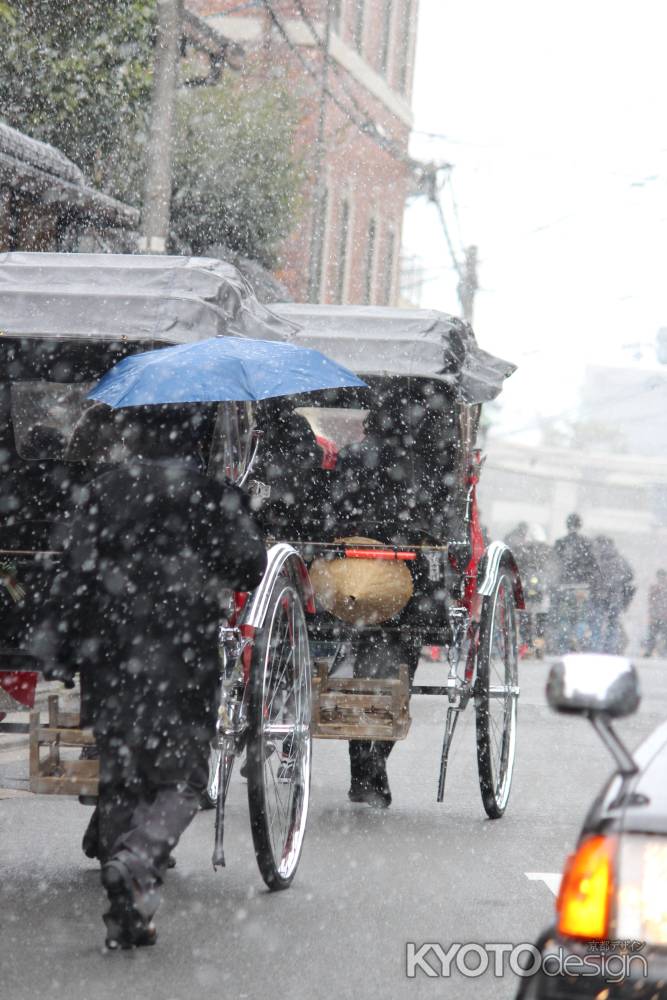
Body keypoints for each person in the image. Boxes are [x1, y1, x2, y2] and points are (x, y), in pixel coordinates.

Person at [36, 407, 266, 949]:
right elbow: (250, 567)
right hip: (180, 651)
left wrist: (59, 646)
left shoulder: (102, 490)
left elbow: (73, 571)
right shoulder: (210, 495)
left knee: (121, 772)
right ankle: (138, 861)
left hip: (109, 650)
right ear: (197, 437)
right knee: (182, 778)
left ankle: (129, 911)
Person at [329, 381, 462, 808]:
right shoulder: (427, 463)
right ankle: (373, 758)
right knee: (400, 664)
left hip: (354, 573)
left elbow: (334, 510)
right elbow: (438, 518)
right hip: (410, 576)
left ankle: (363, 761)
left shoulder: (352, 457)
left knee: (365, 666)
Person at [549, 513, 601, 653]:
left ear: (567, 525)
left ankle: (564, 646)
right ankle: (579, 641)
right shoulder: (587, 543)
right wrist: (591, 582)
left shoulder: (560, 543)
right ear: (580, 525)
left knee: (564, 617)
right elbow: (594, 566)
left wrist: (555, 584)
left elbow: (554, 565)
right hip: (583, 588)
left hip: (564, 587)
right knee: (581, 617)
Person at [590, 536, 635, 654]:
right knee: (613, 624)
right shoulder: (620, 560)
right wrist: (618, 581)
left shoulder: (595, 559)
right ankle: (610, 649)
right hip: (615, 597)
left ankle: (596, 649)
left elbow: (590, 577)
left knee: (597, 623)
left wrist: (598, 584)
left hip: (599, 596)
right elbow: (630, 575)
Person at [644, 569, 667, 656]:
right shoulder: (654, 588)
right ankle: (649, 651)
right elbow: (651, 602)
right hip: (657, 616)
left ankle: (651, 651)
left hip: (661, 616)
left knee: (656, 635)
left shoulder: (655, 588)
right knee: (653, 635)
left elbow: (651, 602)